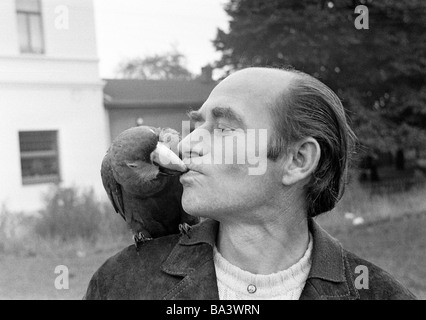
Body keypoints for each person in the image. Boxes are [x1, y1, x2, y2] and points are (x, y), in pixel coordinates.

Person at [84, 67, 416, 300]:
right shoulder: (117, 285)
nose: (185, 145)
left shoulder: (383, 294)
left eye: (225, 129)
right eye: (196, 125)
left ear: (297, 160)